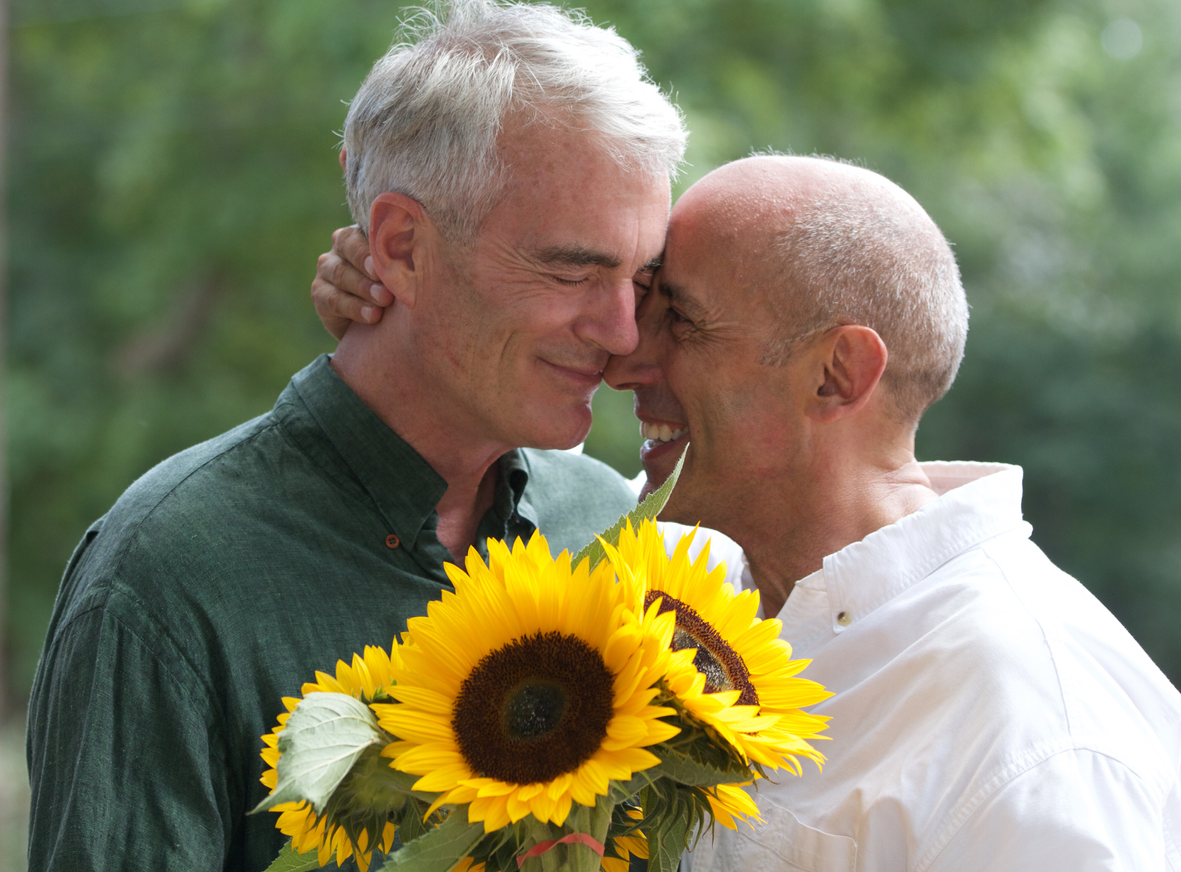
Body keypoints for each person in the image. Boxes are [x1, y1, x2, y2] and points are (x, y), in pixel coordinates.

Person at [317, 155, 1181, 869]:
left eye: (679, 321)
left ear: (835, 375)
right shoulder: (677, 585)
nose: (622, 356)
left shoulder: (1039, 742)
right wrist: (408, 305)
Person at [24, 2, 687, 870]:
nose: (622, 331)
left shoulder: (609, 523)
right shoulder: (166, 582)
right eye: (572, 268)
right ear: (402, 247)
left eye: (640, 278)